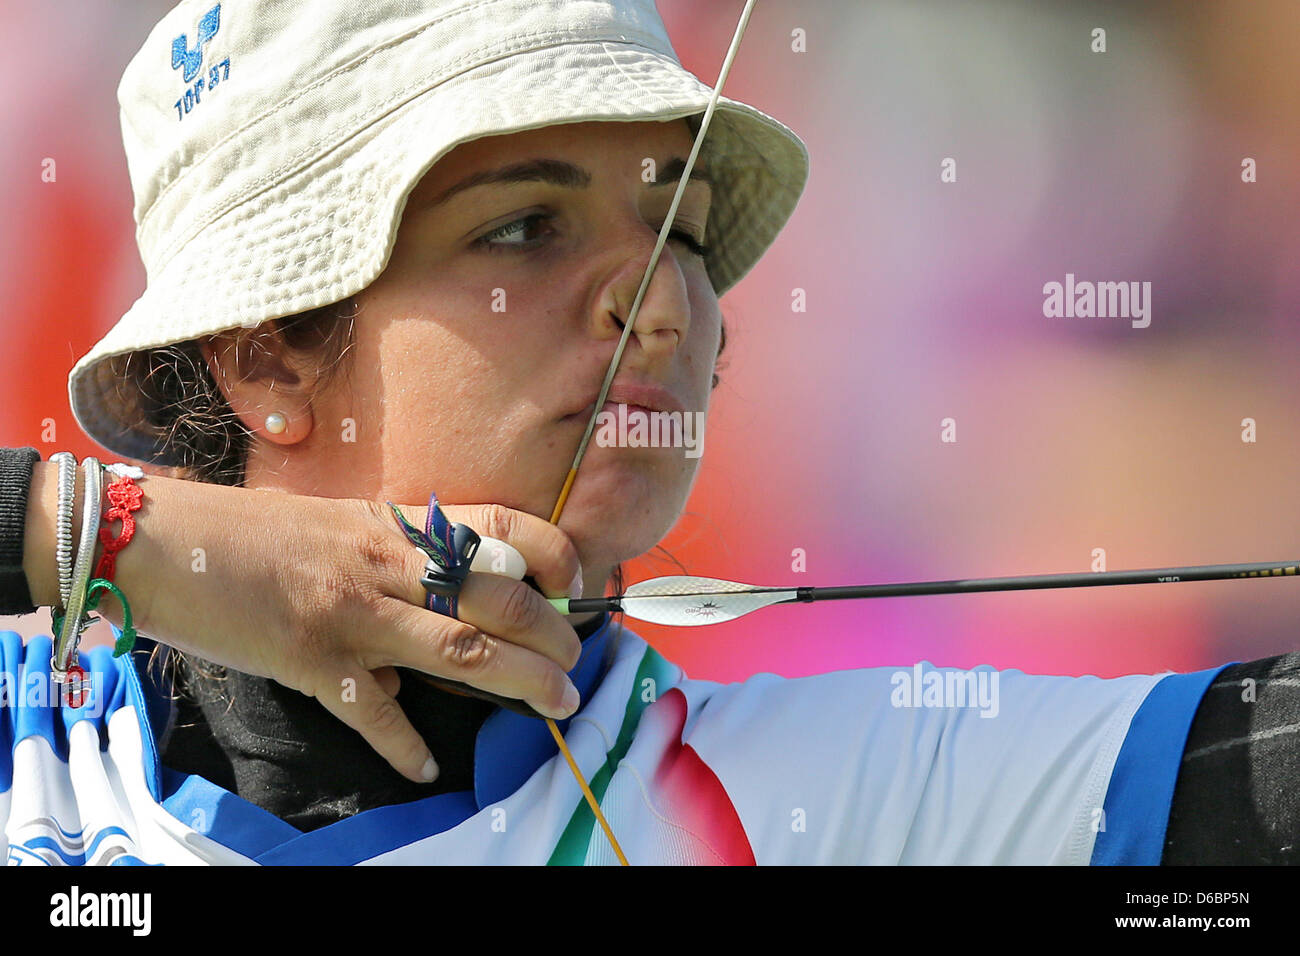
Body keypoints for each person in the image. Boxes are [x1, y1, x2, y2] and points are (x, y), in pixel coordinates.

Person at [1, 0, 1295, 866]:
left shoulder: (846, 794)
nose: (662, 303)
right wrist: (119, 540)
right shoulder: (35, 757)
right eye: (524, 228)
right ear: (262, 353)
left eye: (677, 226)